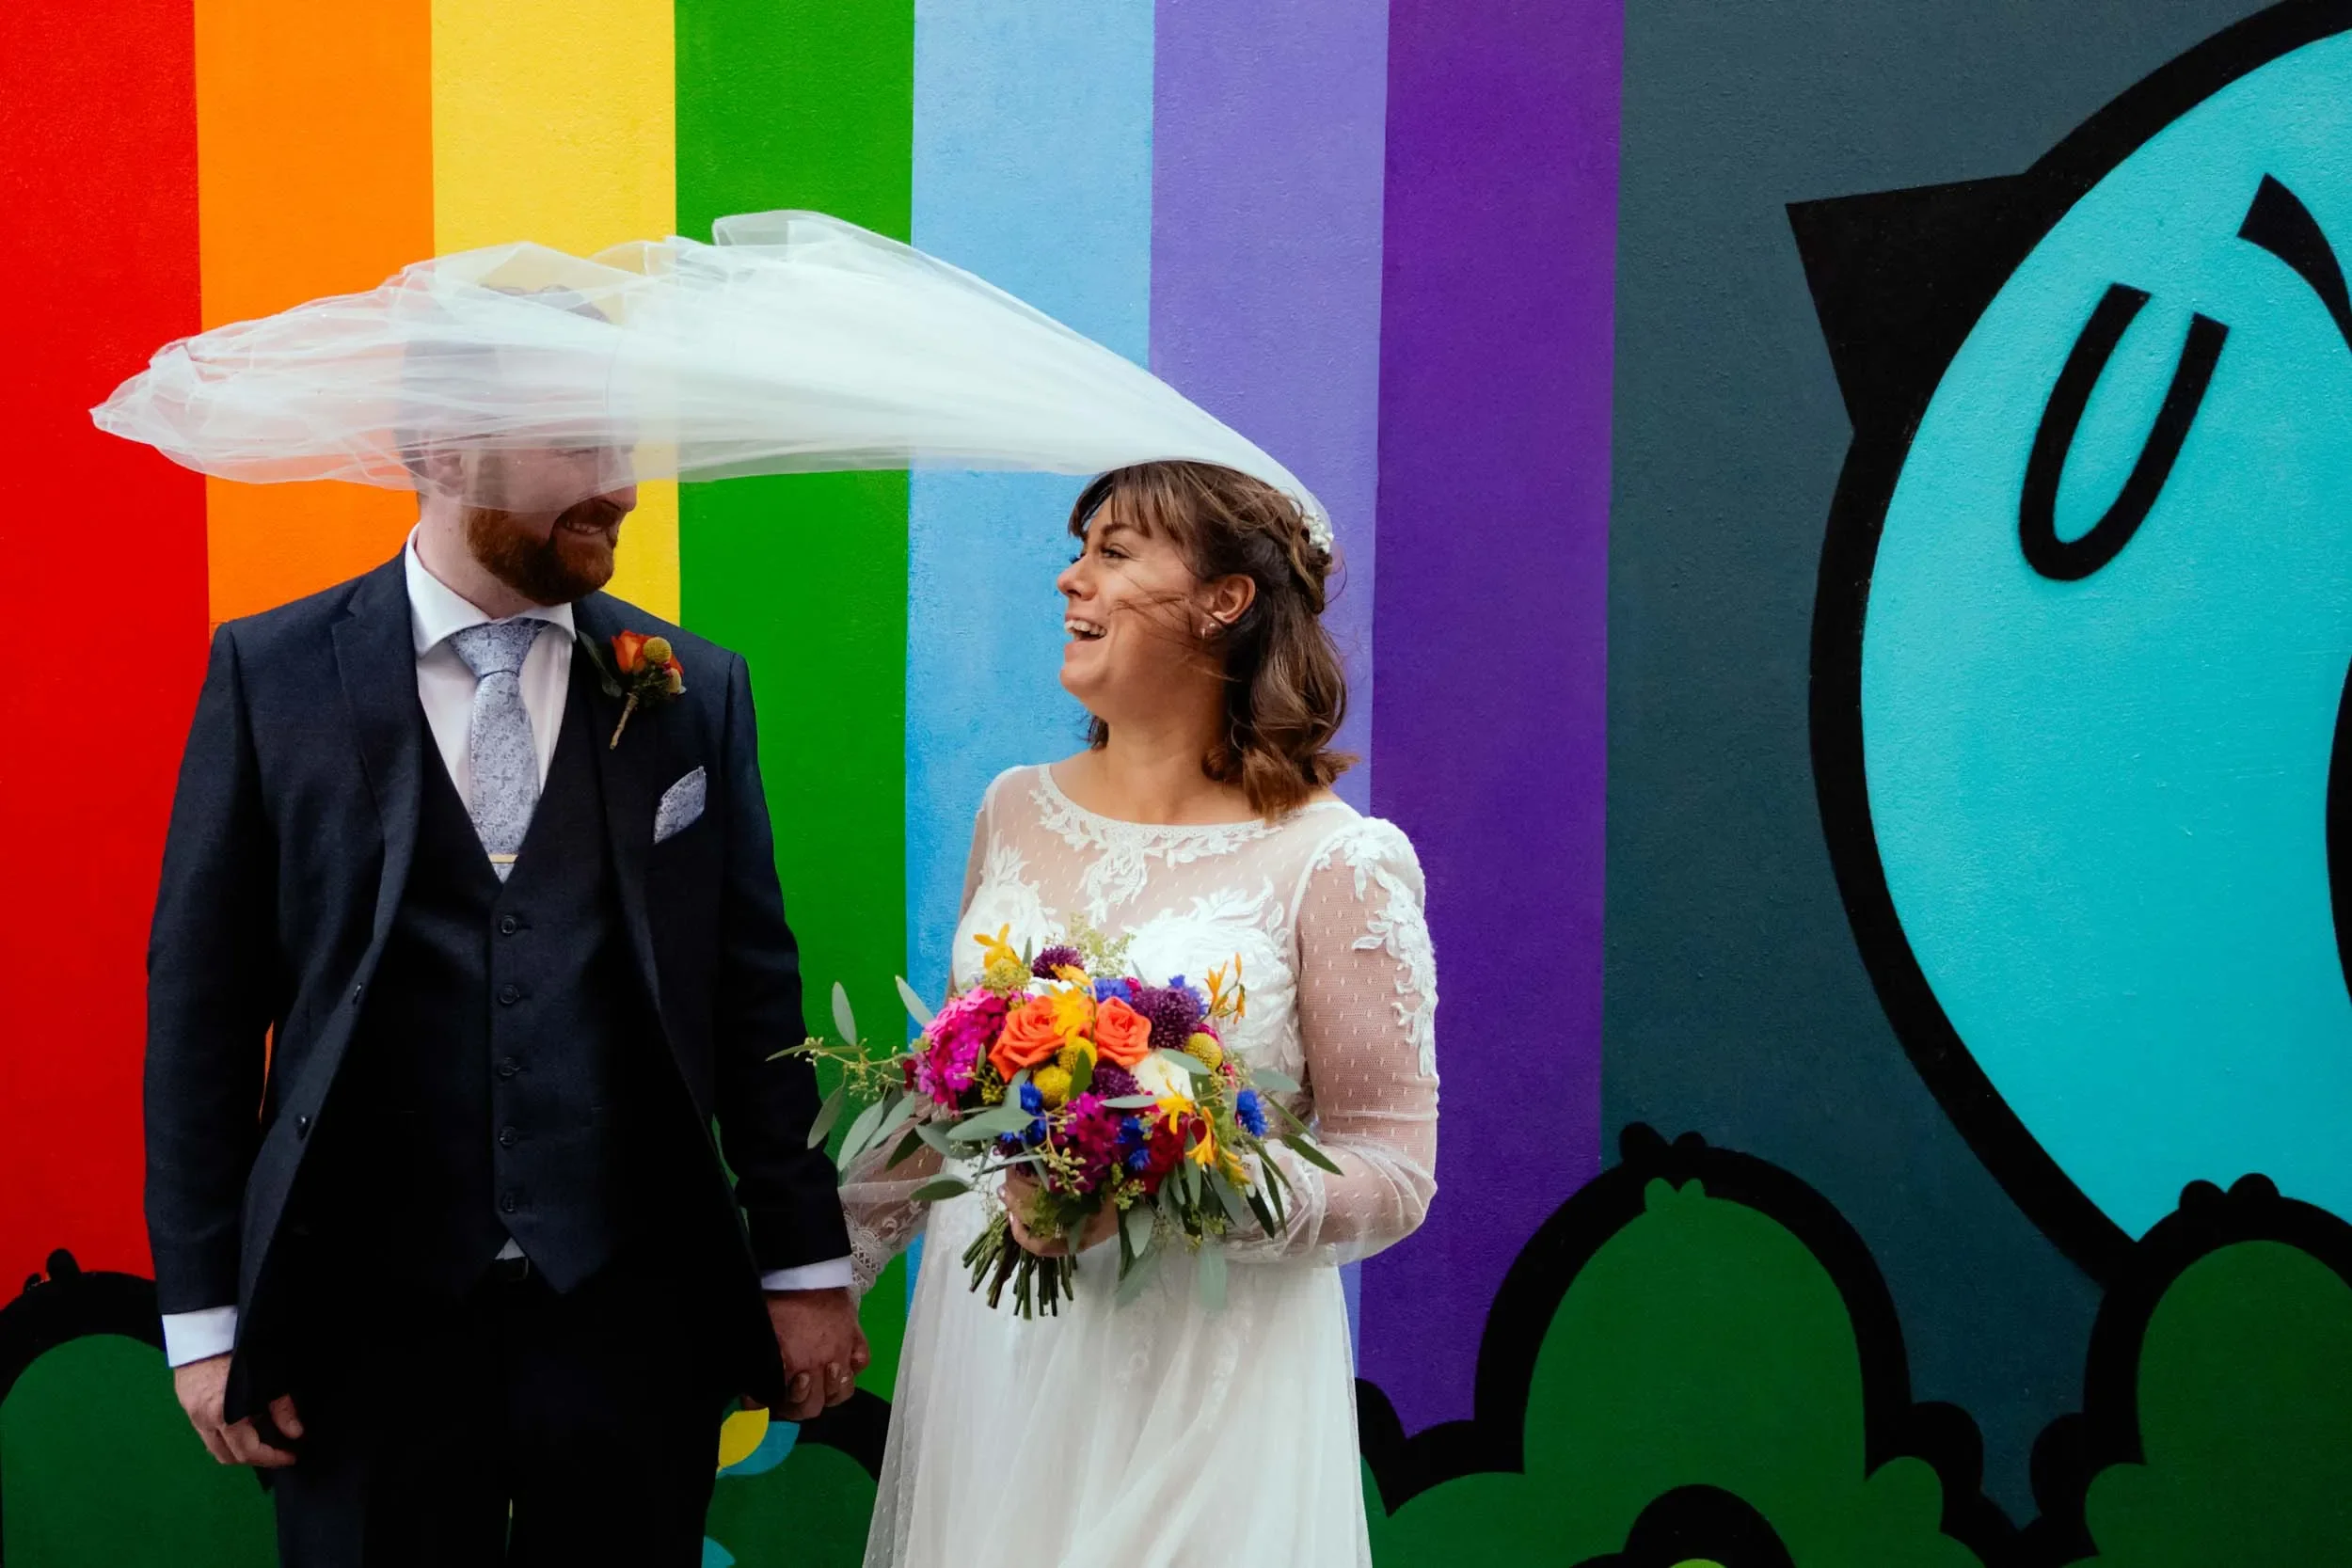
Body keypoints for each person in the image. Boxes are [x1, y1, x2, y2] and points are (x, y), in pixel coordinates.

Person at [145, 435, 867, 1565]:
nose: (622, 486)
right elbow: (202, 1017)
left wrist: (803, 1266)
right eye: (579, 446)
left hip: (632, 1310)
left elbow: (752, 1000)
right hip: (355, 1322)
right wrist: (203, 1320)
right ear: (443, 452)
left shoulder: (689, 683)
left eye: (622, 446)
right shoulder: (268, 669)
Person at [844, 460, 1440, 1568]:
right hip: (998, 1366)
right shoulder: (1012, 808)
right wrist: (821, 1275)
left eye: (1114, 554)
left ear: (1224, 600)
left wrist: (1177, 1185)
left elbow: (1393, 1172)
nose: (1072, 581)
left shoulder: (1338, 860)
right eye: (1078, 552)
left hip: (1204, 1385)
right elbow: (947, 1088)